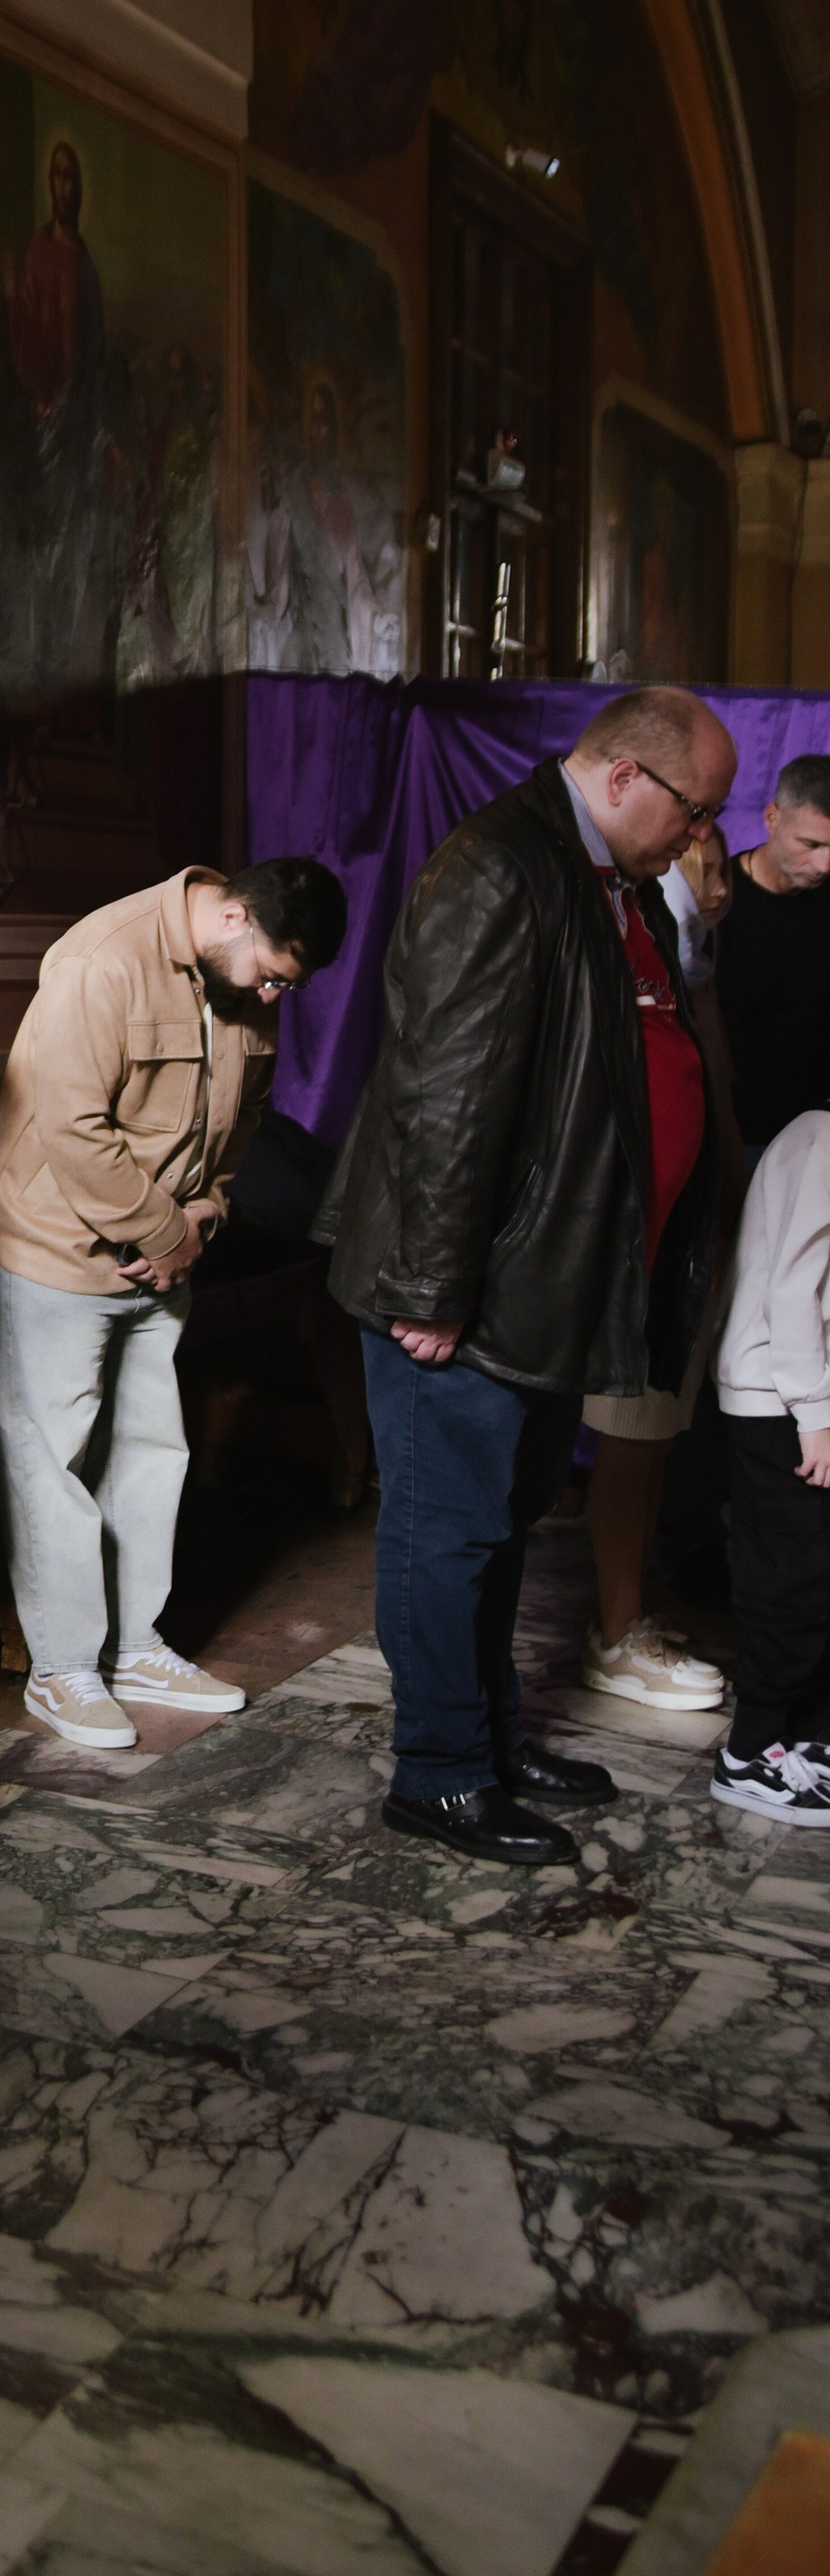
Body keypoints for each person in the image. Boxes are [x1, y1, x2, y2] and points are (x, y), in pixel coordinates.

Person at [327, 688, 733, 1868]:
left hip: (547, 1280)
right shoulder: (498, 868)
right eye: (694, 808)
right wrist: (430, 1289)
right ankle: (441, 1774)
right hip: (466, 1291)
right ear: (624, 778)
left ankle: (492, 1737)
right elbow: (442, 1100)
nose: (699, 835)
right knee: (445, 1531)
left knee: (505, 1525)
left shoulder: (606, 875)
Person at [0, 858, 346, 1753]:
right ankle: (62, 1667)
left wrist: (206, 1212)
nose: (271, 993)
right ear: (228, 915)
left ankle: (137, 1646)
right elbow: (71, 1125)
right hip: (57, 1248)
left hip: (164, 1254)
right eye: (269, 972)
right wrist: (161, 1229)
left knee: (151, 1450)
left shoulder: (244, 979)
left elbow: (244, 1121)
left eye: (283, 984)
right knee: (54, 1459)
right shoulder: (101, 959)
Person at [581, 817, 739, 1711]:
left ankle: (623, 1619)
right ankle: (612, 1634)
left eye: (722, 869)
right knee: (633, 1435)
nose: (717, 886)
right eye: (701, 867)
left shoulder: (688, 946)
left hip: (681, 1231)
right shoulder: (632, 928)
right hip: (634, 1239)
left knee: (655, 1434)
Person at [710, 1107, 830, 1822]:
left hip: (801, 1398)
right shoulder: (822, 1135)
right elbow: (792, 1288)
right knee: (790, 1574)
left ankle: (806, 1740)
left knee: (814, 1570)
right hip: (779, 1401)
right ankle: (749, 1752)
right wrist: (816, 1413)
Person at [713, 755, 830, 1162]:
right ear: (772, 817)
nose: (824, 864)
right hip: (730, 1133)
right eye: (810, 844)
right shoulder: (716, 901)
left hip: (816, 1134)